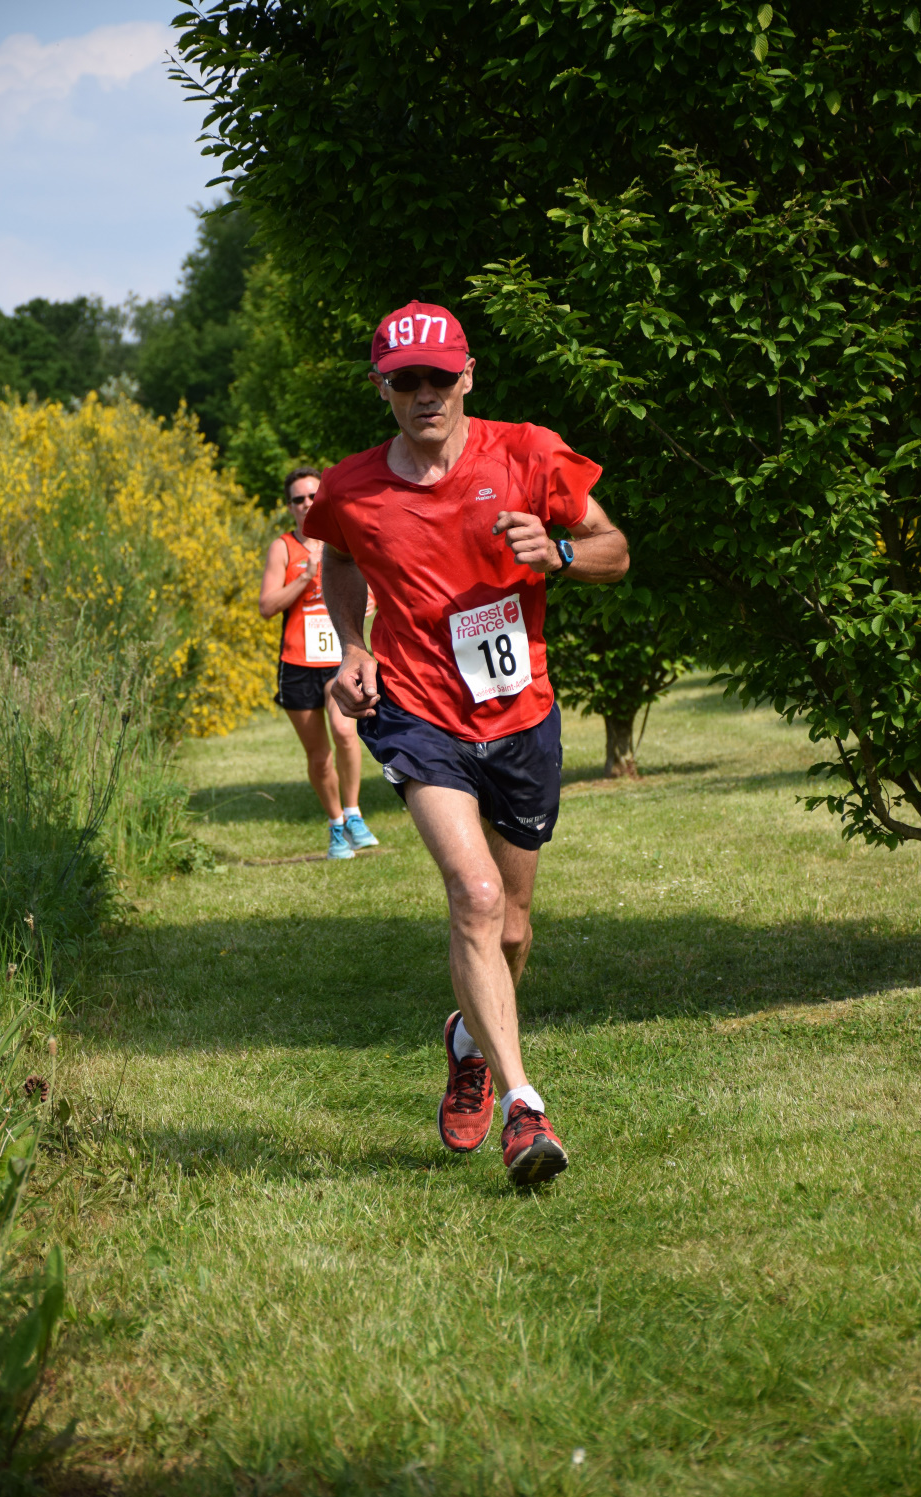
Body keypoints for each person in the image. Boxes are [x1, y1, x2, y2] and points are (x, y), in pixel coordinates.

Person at [305, 301, 628, 1186]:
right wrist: (354, 646)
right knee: (476, 896)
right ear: (382, 388)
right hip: (419, 715)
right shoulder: (350, 488)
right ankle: (526, 1110)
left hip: (519, 714)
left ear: (468, 376)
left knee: (514, 929)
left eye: (440, 378)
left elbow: (615, 549)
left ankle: (469, 1041)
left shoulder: (528, 454)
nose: (426, 394)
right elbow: (339, 556)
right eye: (406, 381)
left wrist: (559, 554)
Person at [259, 466, 379, 860]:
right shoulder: (283, 548)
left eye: (313, 496)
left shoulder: (340, 541)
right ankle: (336, 825)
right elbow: (266, 607)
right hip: (297, 663)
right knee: (319, 756)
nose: (307, 504)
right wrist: (304, 577)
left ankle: (354, 813)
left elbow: (374, 583)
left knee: (344, 731)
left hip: (337, 659)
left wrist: (371, 601)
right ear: (289, 506)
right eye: (298, 499)